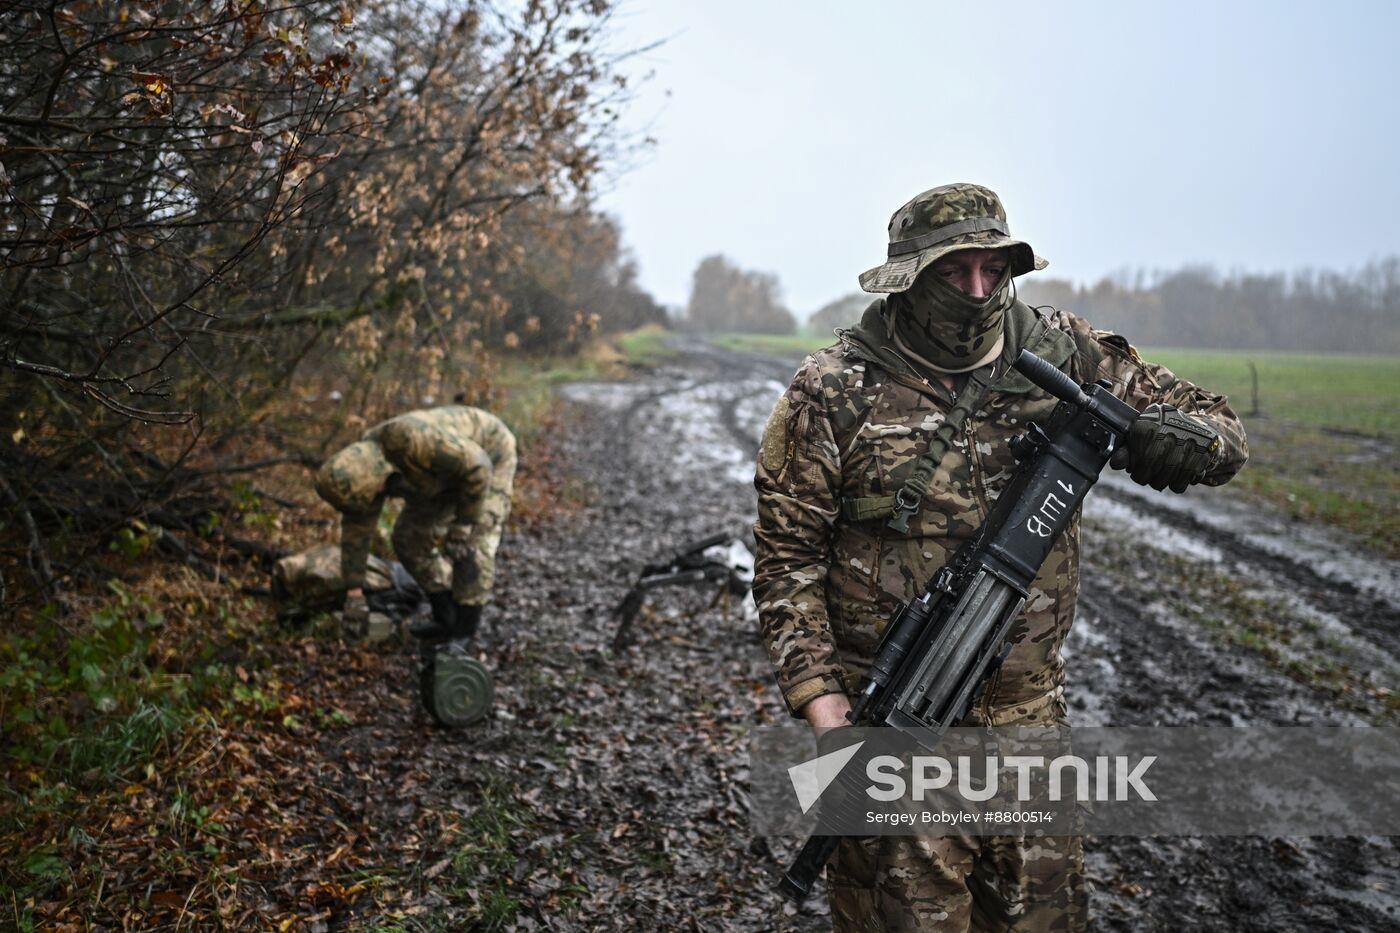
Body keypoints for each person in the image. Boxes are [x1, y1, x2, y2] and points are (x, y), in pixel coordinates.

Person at [753, 183, 1248, 931]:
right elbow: (786, 562)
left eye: (994, 270)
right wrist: (829, 716)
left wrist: (1179, 437)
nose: (978, 291)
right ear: (911, 278)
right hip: (896, 730)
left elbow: (1221, 431)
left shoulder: (1066, 352)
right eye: (954, 274)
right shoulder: (833, 389)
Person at [315, 404, 517, 645]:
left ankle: (464, 631)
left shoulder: (408, 440)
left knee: (472, 543)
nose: (380, 496)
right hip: (439, 479)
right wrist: (354, 594)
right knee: (408, 538)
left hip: (488, 455)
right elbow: (356, 535)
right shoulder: (359, 476)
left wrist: (463, 525)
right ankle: (446, 617)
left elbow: (478, 468)